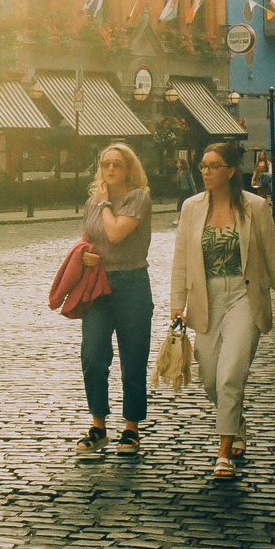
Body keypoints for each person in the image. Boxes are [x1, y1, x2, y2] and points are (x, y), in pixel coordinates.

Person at [171, 140, 275, 480]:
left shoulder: (256, 207)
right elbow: (181, 260)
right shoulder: (191, 207)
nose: (205, 172)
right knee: (209, 379)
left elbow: (273, 257)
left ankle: (223, 453)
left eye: (212, 166)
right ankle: (237, 424)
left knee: (230, 373)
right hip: (205, 298)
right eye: (202, 166)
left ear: (230, 170)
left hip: (244, 298)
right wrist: (177, 305)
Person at [74, 143, 153, 457]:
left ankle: (131, 429)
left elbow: (117, 233)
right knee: (93, 357)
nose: (110, 169)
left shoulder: (138, 198)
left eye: (117, 164)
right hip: (99, 286)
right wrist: (86, 255)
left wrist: (106, 204)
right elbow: (88, 238)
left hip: (132, 283)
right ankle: (98, 426)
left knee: (133, 360)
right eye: (105, 164)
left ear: (129, 168)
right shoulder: (93, 202)